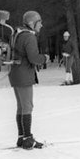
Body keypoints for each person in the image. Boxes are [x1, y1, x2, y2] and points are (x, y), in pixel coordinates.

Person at [8, 10, 49, 149]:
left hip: (15, 74)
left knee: (21, 106)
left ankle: (21, 137)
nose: (41, 25)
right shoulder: (29, 37)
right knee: (27, 106)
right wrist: (45, 58)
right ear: (32, 23)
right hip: (24, 75)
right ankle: (27, 139)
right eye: (40, 22)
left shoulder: (17, 34)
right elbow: (34, 58)